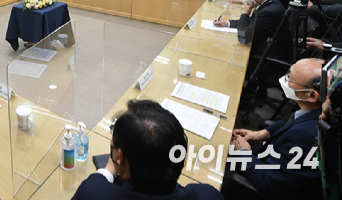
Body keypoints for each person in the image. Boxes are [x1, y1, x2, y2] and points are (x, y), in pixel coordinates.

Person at [72, 99, 223, 200]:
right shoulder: (207, 195)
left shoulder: (94, 193)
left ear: (119, 156)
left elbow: (93, 185)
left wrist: (109, 170)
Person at [224, 58, 323, 199]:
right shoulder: (317, 110)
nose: (284, 80)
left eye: (290, 78)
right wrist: (262, 134)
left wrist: (244, 153)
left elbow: (271, 182)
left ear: (312, 95)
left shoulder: (305, 137)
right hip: (269, 155)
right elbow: (294, 118)